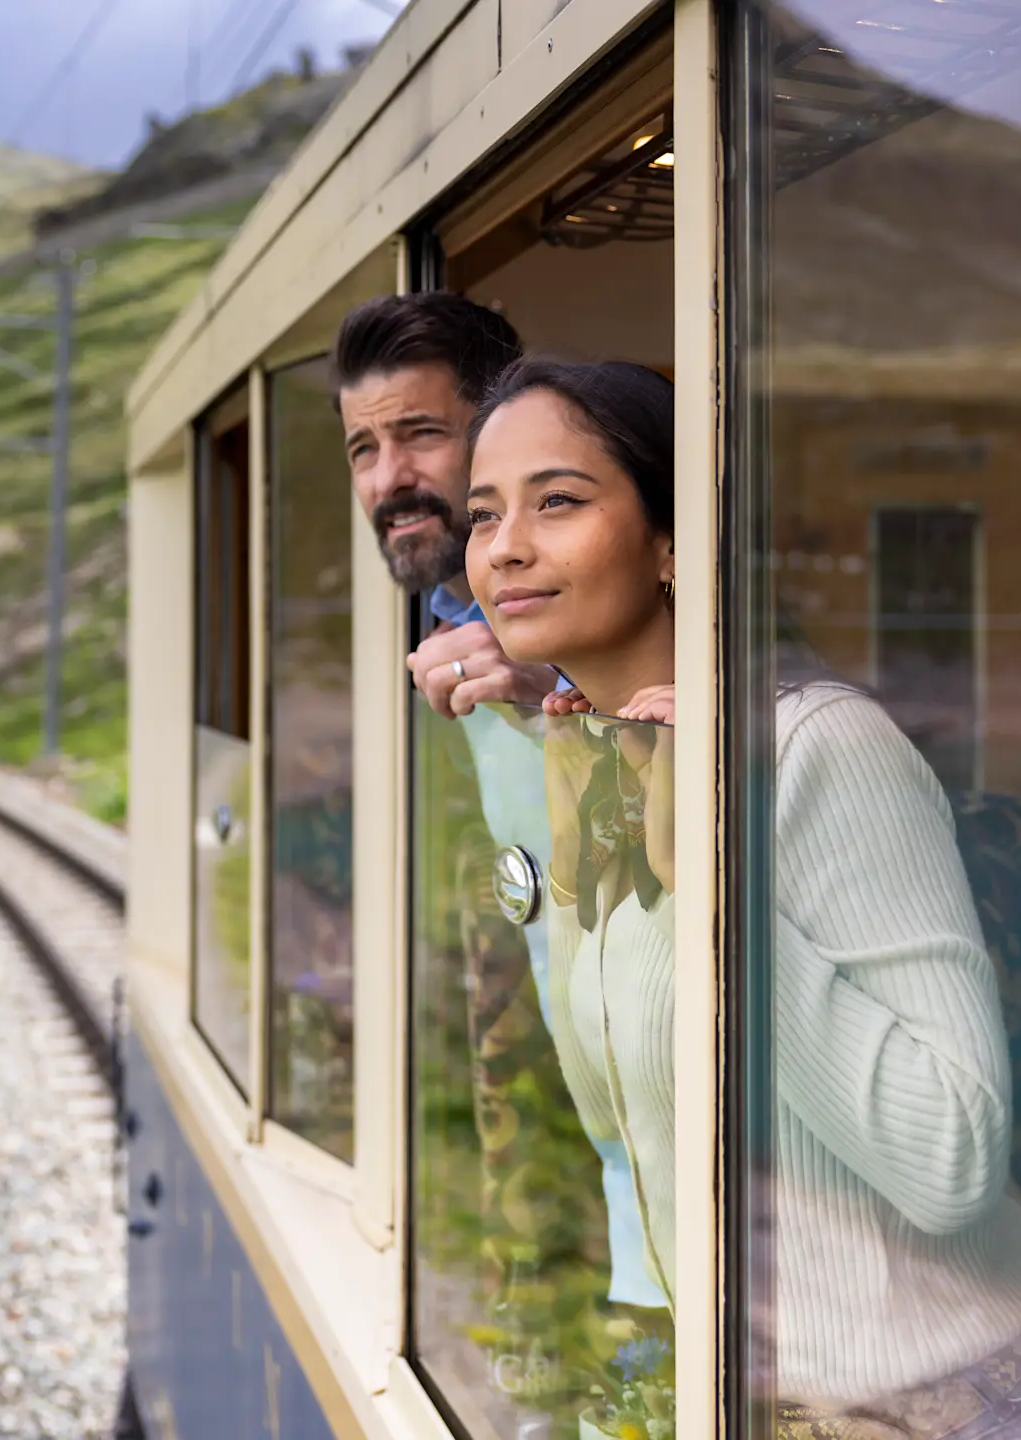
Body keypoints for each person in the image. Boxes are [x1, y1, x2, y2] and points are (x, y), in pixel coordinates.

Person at [463, 354, 1021, 1436]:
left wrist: (709, 885)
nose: (504, 545)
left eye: (557, 501)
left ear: (671, 542)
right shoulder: (608, 770)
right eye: (484, 513)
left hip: (959, 1403)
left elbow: (953, 1158)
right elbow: (616, 1118)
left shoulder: (820, 749)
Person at [331, 294, 665, 1309]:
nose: (389, 479)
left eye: (420, 434)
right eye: (361, 448)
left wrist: (558, 678)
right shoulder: (433, 619)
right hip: (553, 1147)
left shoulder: (624, 630)